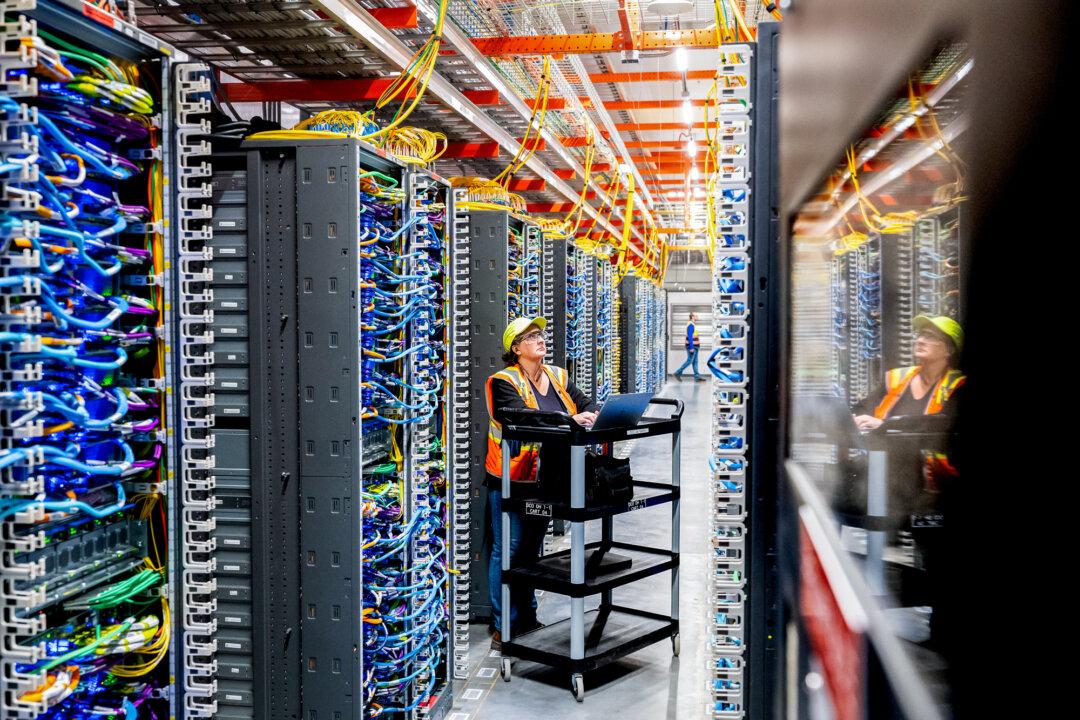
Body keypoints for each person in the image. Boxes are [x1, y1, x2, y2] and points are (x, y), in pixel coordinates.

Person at [484, 317, 599, 649]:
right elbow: (520, 416)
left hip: (547, 477)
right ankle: (503, 626)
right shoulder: (502, 381)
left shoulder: (558, 375)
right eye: (531, 337)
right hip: (512, 479)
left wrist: (591, 415)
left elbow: (585, 403)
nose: (540, 340)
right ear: (516, 348)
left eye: (541, 335)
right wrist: (568, 419)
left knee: (533, 551)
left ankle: (529, 618)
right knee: (509, 550)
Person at [853, 315, 965, 429]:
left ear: (949, 350)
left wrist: (885, 425)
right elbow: (864, 407)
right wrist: (857, 419)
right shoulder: (897, 377)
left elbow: (941, 423)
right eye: (920, 335)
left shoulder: (957, 385)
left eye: (931, 336)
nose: (920, 340)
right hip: (885, 446)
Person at [674, 312, 703, 381]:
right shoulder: (690, 325)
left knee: (695, 362)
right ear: (692, 317)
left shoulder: (692, 324)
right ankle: (677, 373)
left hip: (695, 346)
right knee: (689, 361)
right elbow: (690, 336)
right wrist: (691, 347)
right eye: (696, 315)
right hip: (692, 347)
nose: (697, 317)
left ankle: (697, 377)